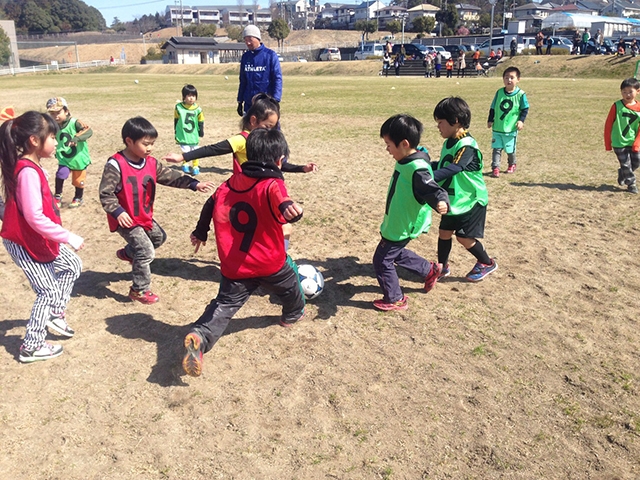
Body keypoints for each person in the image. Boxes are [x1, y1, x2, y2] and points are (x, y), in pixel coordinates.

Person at [181, 128, 305, 377]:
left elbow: (210, 203)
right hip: (270, 263)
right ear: (279, 160)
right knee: (292, 288)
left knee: (224, 305)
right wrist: (290, 208)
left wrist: (201, 231)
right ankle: (292, 314)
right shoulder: (273, 183)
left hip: (235, 266)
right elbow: (280, 197)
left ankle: (200, 336)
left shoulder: (228, 184)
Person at [163, 94, 316, 251]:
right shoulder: (243, 140)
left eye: (274, 127)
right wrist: (182, 156)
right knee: (282, 228)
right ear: (253, 121)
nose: (271, 131)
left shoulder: (264, 142)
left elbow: (277, 165)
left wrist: (301, 168)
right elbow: (213, 149)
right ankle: (278, 258)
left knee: (276, 228)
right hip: (248, 190)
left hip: (258, 189)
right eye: (268, 126)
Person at [99, 117, 214, 304]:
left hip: (143, 216)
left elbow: (170, 176)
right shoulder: (115, 165)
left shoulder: (151, 163)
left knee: (159, 238)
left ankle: (129, 253)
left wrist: (194, 183)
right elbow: (106, 194)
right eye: (146, 144)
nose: (150, 148)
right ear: (129, 141)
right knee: (146, 252)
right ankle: (139, 289)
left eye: (152, 144)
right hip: (125, 219)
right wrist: (118, 212)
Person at [0, 111, 84, 363]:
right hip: (22, 241)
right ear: (35, 140)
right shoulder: (27, 171)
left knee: (72, 265)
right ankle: (31, 345)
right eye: (52, 137)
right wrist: (67, 236)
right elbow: (34, 217)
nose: (57, 142)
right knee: (46, 290)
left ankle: (55, 313)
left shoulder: (32, 166)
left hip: (35, 237)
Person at [372, 114, 449, 312]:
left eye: (389, 145)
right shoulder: (410, 157)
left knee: (382, 260)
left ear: (404, 144)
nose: (387, 149)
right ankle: (429, 270)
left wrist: (441, 200)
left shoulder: (417, 168)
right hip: (398, 220)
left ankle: (395, 298)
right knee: (394, 253)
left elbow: (432, 187)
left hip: (402, 224)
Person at [432, 97, 497, 282]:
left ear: (456, 121)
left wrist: (430, 177)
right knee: (444, 233)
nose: (438, 127)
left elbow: (455, 167)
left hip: (471, 200)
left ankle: (486, 262)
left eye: (441, 122)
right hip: (455, 200)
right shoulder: (449, 142)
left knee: (464, 237)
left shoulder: (467, 145)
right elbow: (444, 163)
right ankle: (442, 267)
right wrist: (425, 166)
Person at [46, 97, 92, 209]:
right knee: (61, 174)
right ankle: (57, 196)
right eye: (52, 113)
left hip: (78, 158)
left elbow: (88, 130)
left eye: (58, 112)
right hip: (64, 158)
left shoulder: (75, 122)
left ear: (66, 111)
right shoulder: (53, 126)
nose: (55, 116)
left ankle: (78, 197)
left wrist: (76, 138)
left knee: (78, 180)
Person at [487, 66, 529, 177]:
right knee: (496, 149)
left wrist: (521, 121)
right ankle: (495, 168)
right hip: (498, 127)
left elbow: (525, 109)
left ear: (518, 79)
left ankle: (512, 164)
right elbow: (493, 107)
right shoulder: (499, 92)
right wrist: (490, 120)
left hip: (511, 128)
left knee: (510, 150)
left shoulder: (521, 94)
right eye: (506, 77)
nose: (509, 80)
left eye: (512, 77)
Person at [604, 77, 640, 194]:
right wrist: (608, 143)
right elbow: (608, 124)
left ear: (637, 91)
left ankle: (623, 172)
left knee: (636, 161)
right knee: (625, 163)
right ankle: (631, 184)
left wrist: (637, 143)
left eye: (630, 91)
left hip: (633, 141)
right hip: (618, 142)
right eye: (624, 92)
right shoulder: (616, 106)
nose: (627, 94)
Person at [237, 25, 282, 116]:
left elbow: (277, 78)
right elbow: (243, 80)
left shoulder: (270, 55)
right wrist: (240, 101)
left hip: (266, 104)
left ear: (257, 38)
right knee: (249, 129)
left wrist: (275, 100)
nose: (248, 43)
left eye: (250, 39)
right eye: (245, 40)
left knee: (268, 129)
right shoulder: (246, 57)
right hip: (249, 104)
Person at [174, 84, 204, 175]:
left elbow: (201, 120)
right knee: (186, 150)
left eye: (193, 96)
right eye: (189, 96)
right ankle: (185, 164)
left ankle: (195, 166)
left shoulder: (198, 109)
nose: (191, 98)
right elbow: (176, 119)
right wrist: (175, 130)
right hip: (183, 133)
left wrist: (201, 130)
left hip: (193, 134)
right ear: (184, 97)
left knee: (195, 150)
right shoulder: (179, 107)